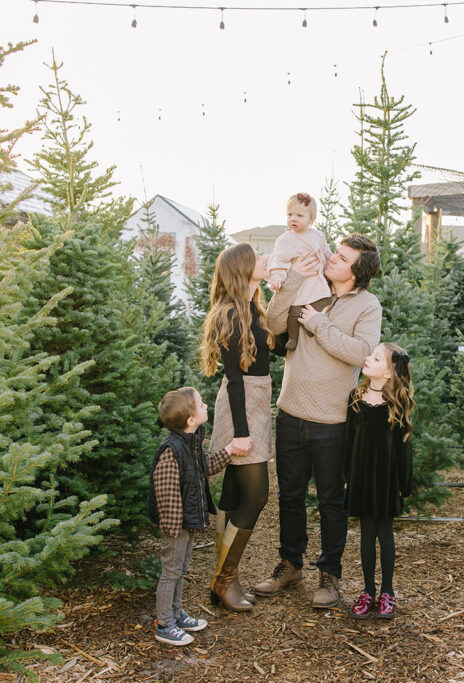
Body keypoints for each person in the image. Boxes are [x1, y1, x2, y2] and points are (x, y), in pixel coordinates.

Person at [252, 233, 382, 609]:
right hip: (291, 411)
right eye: (336, 252)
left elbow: (360, 352)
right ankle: (290, 564)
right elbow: (274, 325)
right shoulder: (311, 286)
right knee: (289, 495)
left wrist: (319, 324)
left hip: (332, 420)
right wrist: (292, 280)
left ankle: (330, 574)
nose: (331, 259)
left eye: (341, 259)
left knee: (331, 500)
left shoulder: (367, 305)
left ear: (356, 273)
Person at [199, 242, 274, 612]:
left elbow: (281, 344)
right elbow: (235, 379)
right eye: (258, 257)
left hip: (256, 404)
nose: (264, 260)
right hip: (240, 407)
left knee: (233, 493)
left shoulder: (251, 308)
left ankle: (224, 580)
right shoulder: (229, 314)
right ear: (242, 268)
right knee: (256, 496)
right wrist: (242, 433)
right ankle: (224, 579)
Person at [149, 387, 233, 646]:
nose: (206, 406)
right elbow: (166, 493)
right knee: (171, 571)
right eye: (201, 404)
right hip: (176, 526)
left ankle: (176, 615)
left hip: (186, 522)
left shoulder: (190, 443)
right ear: (190, 420)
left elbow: (204, 468)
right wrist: (174, 530)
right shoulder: (171, 450)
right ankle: (164, 624)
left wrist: (229, 452)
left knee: (181, 569)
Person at [344, 343, 414, 620]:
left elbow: (404, 447)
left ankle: (387, 591)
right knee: (365, 533)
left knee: (384, 535)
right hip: (361, 475)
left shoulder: (398, 401)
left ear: (388, 373)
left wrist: (402, 482)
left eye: (375, 358)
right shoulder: (356, 397)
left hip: (386, 478)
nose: (367, 359)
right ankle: (368, 590)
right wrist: (347, 477)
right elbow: (349, 439)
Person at [266, 193, 333, 350]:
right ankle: (294, 338)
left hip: (317, 280)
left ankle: (312, 326)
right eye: (290, 215)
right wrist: (276, 278)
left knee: (323, 301)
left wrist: (331, 263)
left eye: (299, 215)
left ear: (311, 219)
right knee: (295, 311)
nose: (293, 219)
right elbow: (279, 261)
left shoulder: (318, 236)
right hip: (299, 284)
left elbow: (327, 253)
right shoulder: (286, 240)